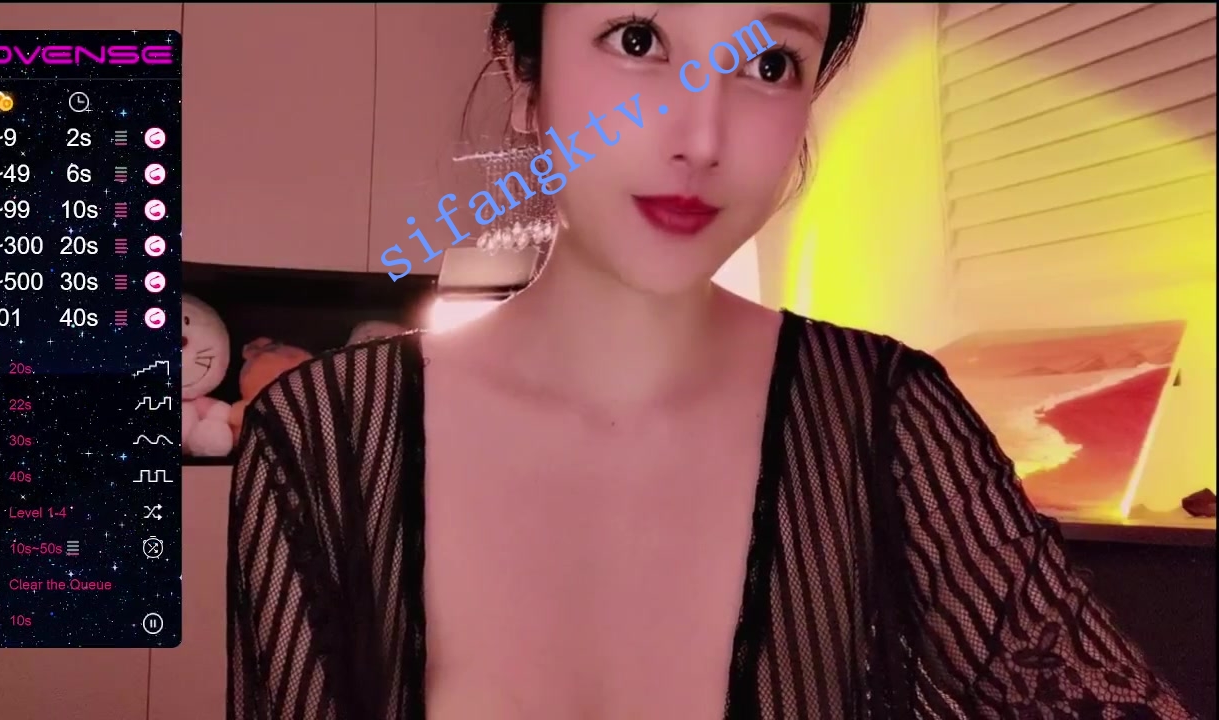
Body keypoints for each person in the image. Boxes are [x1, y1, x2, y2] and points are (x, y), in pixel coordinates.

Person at [227, 4, 1197, 719]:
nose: (701, 137)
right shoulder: (321, 439)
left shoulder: (886, 421)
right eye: (637, 39)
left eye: (770, 62)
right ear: (525, 77)